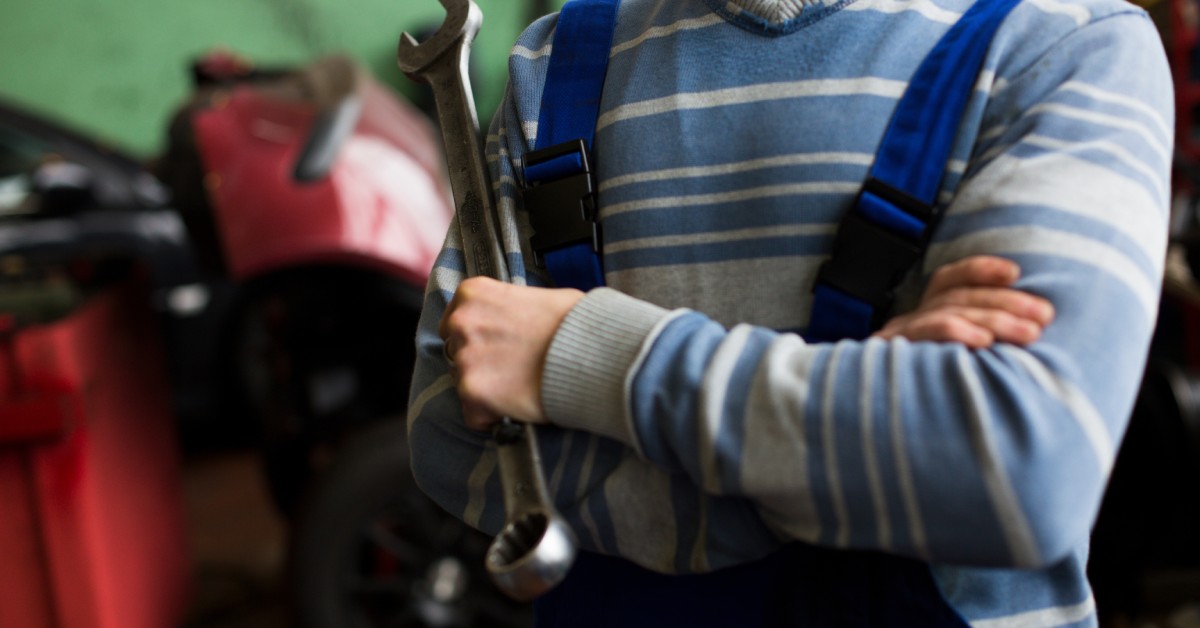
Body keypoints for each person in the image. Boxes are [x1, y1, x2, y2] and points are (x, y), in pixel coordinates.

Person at [407, 0, 1173, 624]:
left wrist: (577, 358)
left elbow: (1018, 475)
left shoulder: (1067, 46)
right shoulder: (555, 63)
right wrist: (876, 435)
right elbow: (452, 444)